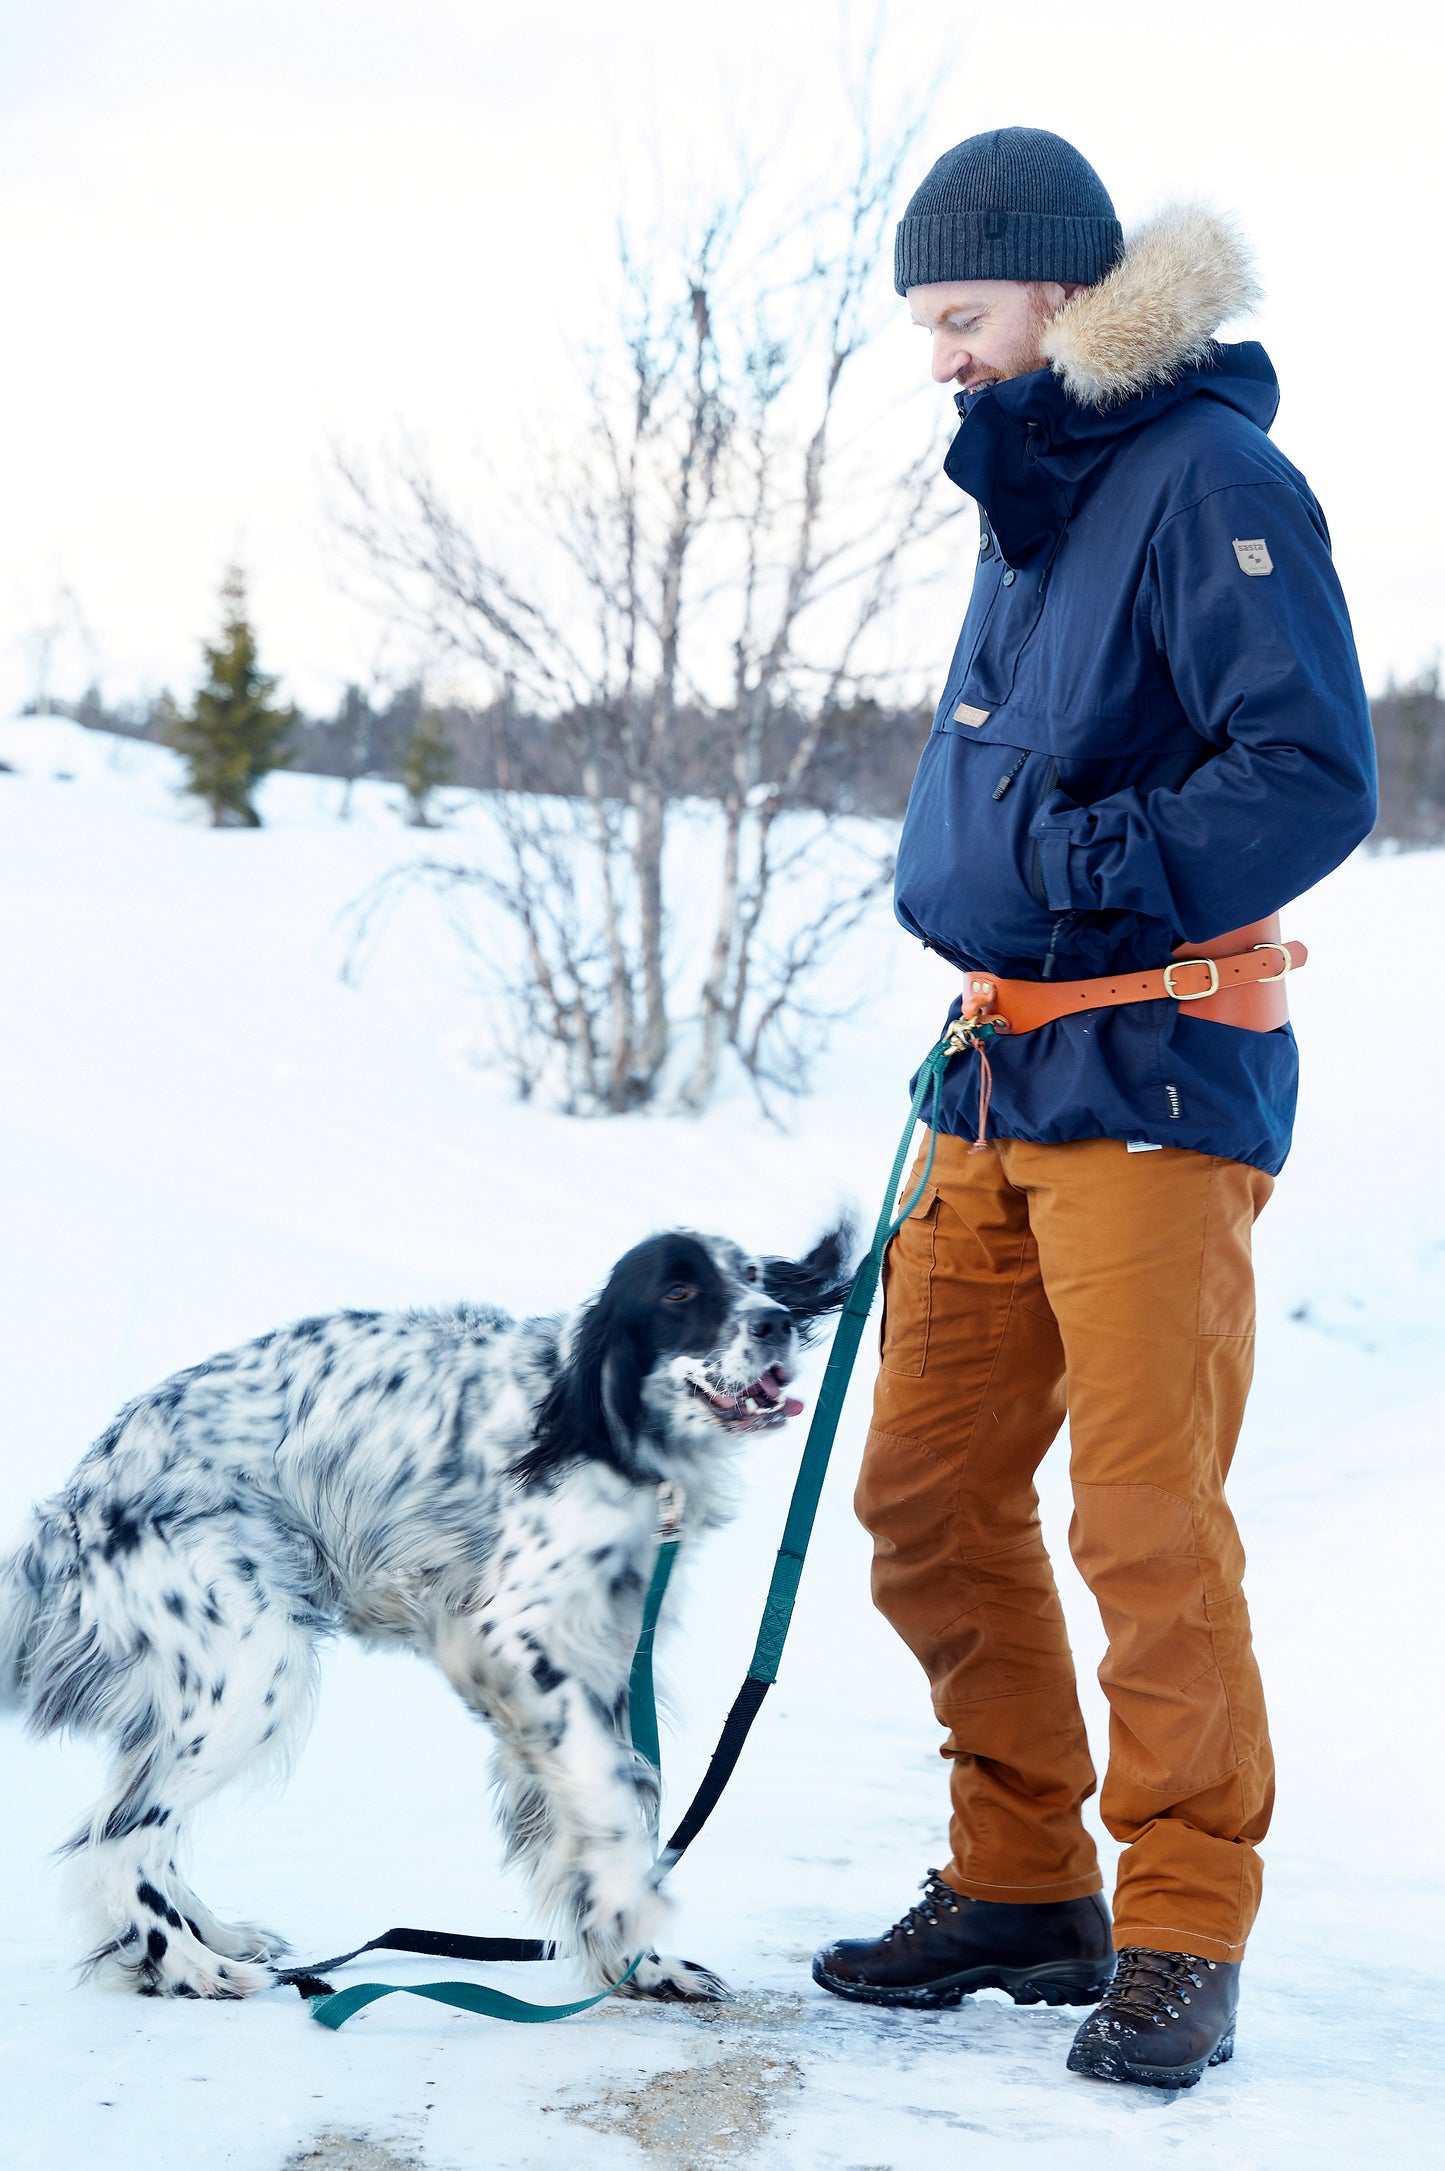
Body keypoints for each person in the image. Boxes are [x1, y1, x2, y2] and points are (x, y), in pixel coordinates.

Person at [811, 127, 1376, 2091]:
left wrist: (1076, 860)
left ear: (1056, 290)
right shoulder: (1038, 490)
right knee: (924, 1501)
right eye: (927, 328)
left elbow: (1309, 774)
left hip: (1152, 1075)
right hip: (991, 1076)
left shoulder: (1214, 476)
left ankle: (1184, 1928)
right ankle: (1022, 1882)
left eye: (961, 318)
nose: (942, 359)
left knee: (1141, 1523)